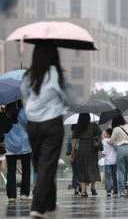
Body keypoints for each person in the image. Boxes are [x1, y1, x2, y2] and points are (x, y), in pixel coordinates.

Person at [21, 41, 75, 218]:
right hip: (52, 123)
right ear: (55, 56)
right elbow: (70, 99)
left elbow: (25, 94)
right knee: (47, 163)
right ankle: (37, 206)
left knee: (41, 163)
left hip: (33, 123)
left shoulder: (30, 74)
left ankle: (50, 203)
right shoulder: (57, 74)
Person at [4, 100, 32, 202]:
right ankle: (24, 193)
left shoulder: (5, 115)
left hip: (10, 147)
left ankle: (11, 196)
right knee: (26, 170)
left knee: (11, 171)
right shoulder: (24, 113)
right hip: (25, 146)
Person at [71, 113, 102, 197]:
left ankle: (84, 191)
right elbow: (101, 136)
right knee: (93, 168)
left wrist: (72, 153)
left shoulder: (78, 127)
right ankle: (92, 187)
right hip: (92, 149)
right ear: (89, 118)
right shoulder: (94, 126)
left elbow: (74, 141)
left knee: (82, 169)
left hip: (81, 149)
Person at [108, 115, 128, 197]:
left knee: (120, 170)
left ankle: (122, 191)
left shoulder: (116, 129)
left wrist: (109, 141)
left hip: (120, 149)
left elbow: (111, 141)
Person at [102, 128, 118, 196]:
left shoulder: (104, 141)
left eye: (105, 133)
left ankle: (108, 191)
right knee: (114, 176)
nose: (104, 135)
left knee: (108, 177)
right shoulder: (115, 141)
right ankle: (115, 190)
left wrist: (102, 152)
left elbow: (104, 152)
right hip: (114, 161)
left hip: (107, 162)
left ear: (108, 134)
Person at [66, 124, 80, 195]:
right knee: (81, 172)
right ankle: (80, 184)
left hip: (73, 156)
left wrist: (70, 152)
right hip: (80, 156)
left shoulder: (70, 137)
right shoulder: (81, 136)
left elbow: (68, 146)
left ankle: (75, 189)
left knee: (75, 173)